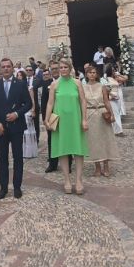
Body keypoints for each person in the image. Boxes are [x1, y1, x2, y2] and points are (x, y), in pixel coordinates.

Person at [0, 57, 32, 199]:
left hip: (16, 127)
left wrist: (17, 114)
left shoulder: (20, 84)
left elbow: (28, 104)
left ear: (12, 68)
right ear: (0, 69)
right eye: (3, 66)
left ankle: (17, 187)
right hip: (0, 129)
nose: (6, 68)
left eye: (8, 66)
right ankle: (3, 188)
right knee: (2, 159)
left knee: (18, 158)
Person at [45, 59, 89, 195]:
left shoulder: (77, 83)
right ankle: (67, 180)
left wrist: (84, 119)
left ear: (70, 68)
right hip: (61, 122)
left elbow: (83, 101)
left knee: (78, 150)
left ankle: (79, 180)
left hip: (76, 120)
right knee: (63, 150)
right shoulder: (54, 84)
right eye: (61, 67)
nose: (63, 69)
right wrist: (46, 119)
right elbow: (50, 103)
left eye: (65, 67)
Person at [83, 65, 119, 177]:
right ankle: (97, 166)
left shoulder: (101, 86)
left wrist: (112, 114)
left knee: (105, 140)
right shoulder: (83, 88)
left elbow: (106, 101)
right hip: (90, 115)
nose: (92, 74)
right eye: (90, 72)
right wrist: (83, 118)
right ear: (86, 74)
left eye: (94, 72)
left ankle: (106, 165)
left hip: (102, 114)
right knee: (93, 141)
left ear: (96, 74)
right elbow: (82, 103)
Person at [102, 65, 127, 136]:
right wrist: (110, 96)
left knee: (117, 114)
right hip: (111, 99)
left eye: (114, 70)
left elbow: (125, 79)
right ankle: (119, 131)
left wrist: (118, 75)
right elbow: (105, 89)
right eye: (112, 70)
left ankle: (115, 130)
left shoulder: (115, 78)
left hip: (117, 98)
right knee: (115, 114)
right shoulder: (105, 79)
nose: (114, 71)